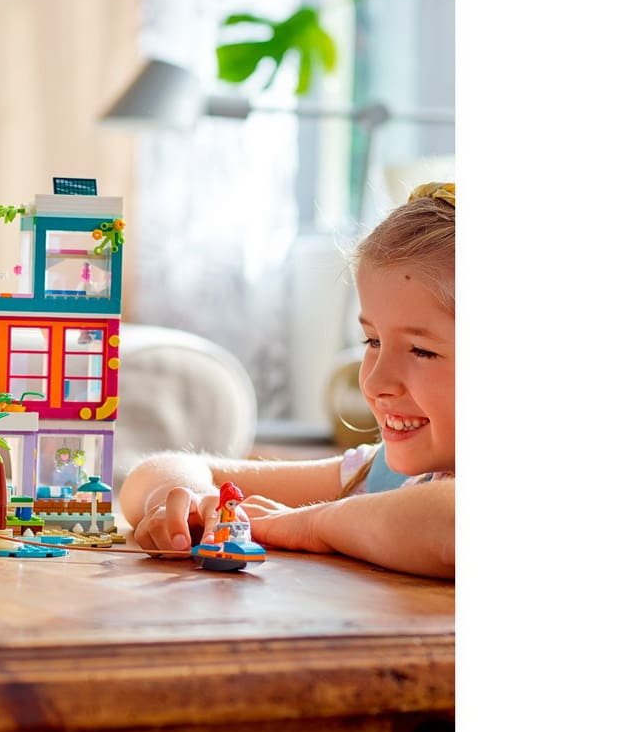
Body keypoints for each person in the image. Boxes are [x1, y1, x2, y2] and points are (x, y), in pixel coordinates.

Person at [119, 182, 456, 580]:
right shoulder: (380, 475)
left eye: (421, 351)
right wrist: (189, 503)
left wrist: (312, 524)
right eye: (373, 341)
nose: (376, 381)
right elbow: (155, 472)